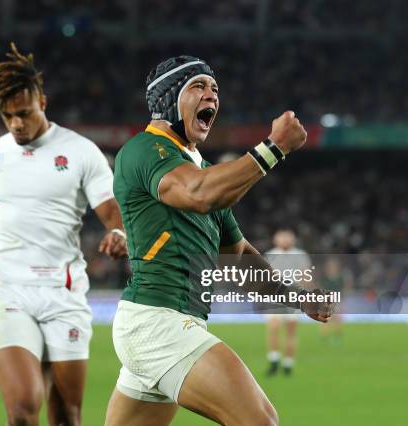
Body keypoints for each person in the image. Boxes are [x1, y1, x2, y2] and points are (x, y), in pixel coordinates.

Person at [105, 55, 332, 426]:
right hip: (158, 324)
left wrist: (297, 297)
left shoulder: (206, 173)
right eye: (198, 86)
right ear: (167, 98)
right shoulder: (144, 150)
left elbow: (238, 257)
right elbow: (198, 194)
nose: (211, 95)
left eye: (215, 89)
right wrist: (274, 147)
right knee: (260, 421)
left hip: (167, 325)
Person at [0, 43, 127, 426]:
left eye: (24, 114)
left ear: (42, 102)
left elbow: (111, 209)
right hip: (7, 289)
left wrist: (118, 232)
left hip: (63, 292)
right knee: (21, 410)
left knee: (66, 416)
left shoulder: (81, 151)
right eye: (8, 116)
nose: (17, 124)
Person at [264, 229, 312, 376]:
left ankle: (288, 364)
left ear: (293, 240)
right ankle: (274, 360)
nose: (284, 240)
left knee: (291, 332)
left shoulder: (300, 255)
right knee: (273, 329)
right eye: (281, 238)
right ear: (275, 240)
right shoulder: (270, 255)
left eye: (287, 238)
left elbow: (306, 276)